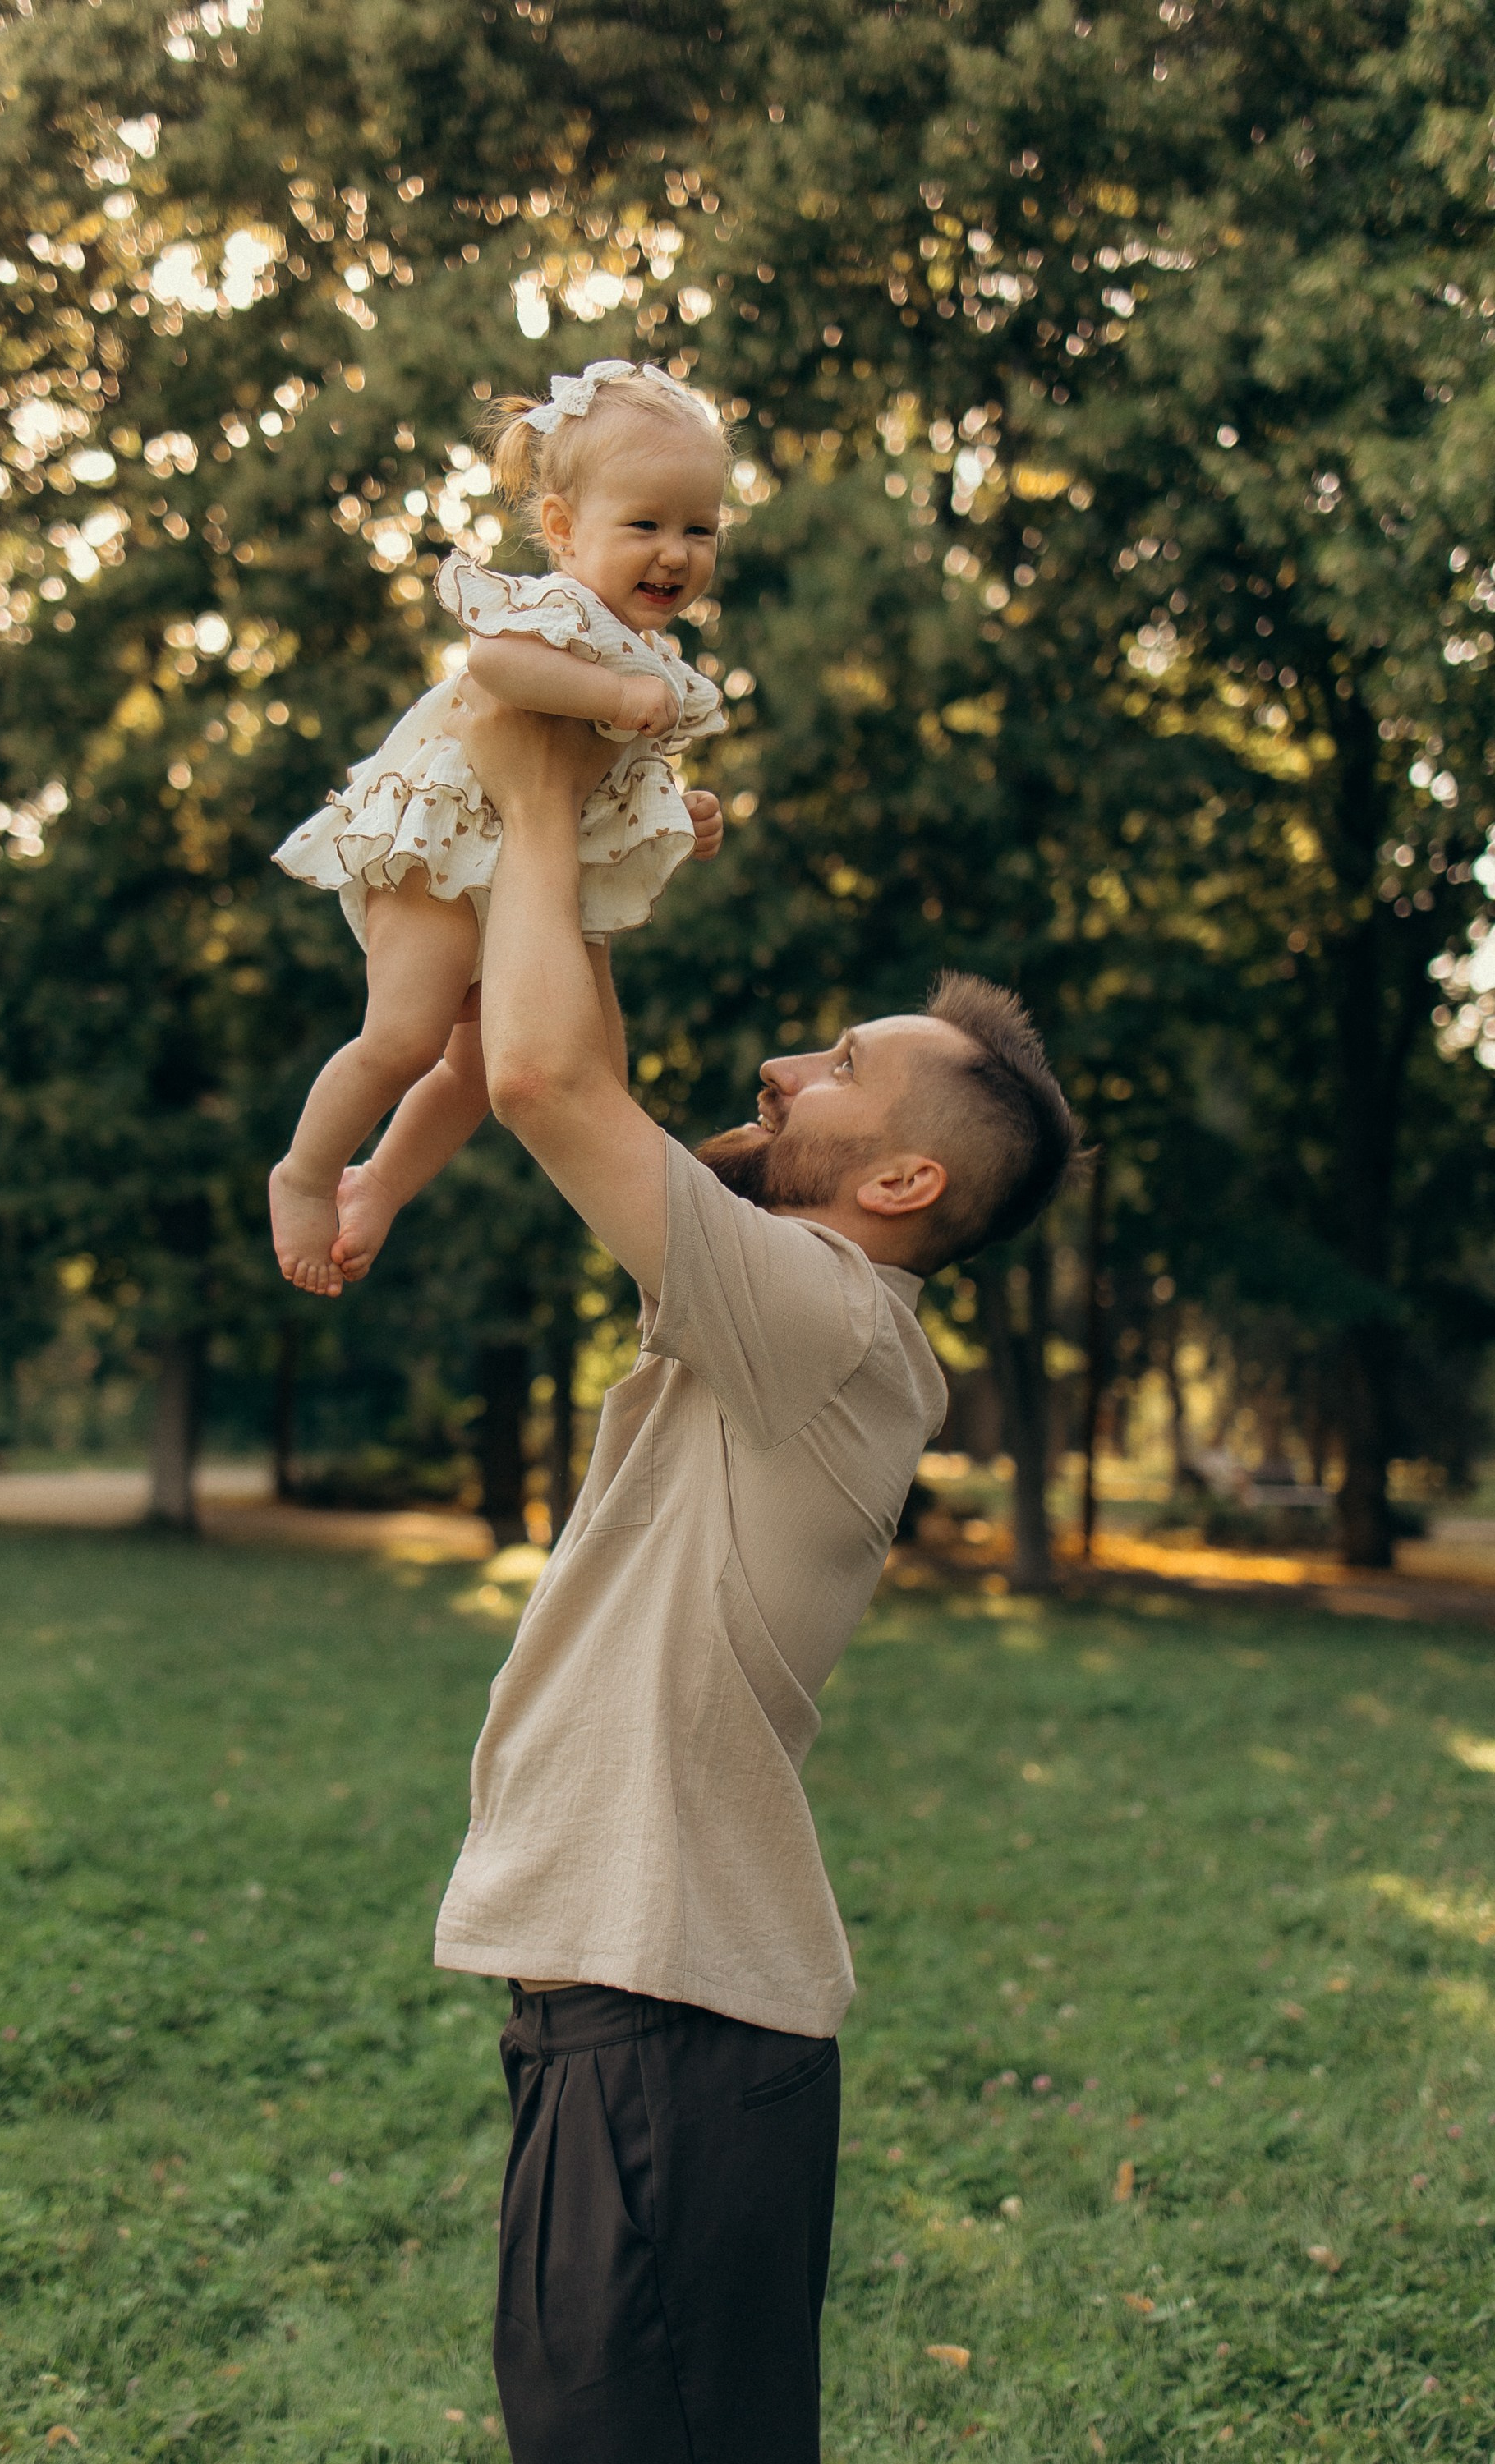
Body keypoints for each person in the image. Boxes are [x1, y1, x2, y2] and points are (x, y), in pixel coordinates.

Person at [427, 685, 1079, 2464]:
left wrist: (542, 786)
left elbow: (553, 1083)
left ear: (903, 1177)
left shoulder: (821, 1317)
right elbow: (595, 1089)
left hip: (667, 2028)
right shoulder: (796, 1313)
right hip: (642, 2018)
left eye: (835, 1072)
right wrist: (598, 877)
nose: (784, 1070)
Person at [268, 360, 729, 1297]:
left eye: (699, 529)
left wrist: (681, 813)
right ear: (561, 529)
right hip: (441, 842)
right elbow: (496, 667)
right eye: (644, 524)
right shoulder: (556, 613)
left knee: (483, 1070)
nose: (674, 553)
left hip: (518, 868)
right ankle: (304, 1174)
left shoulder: (650, 657)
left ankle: (381, 1189)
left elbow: (610, 780)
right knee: (404, 1035)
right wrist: (614, 693)